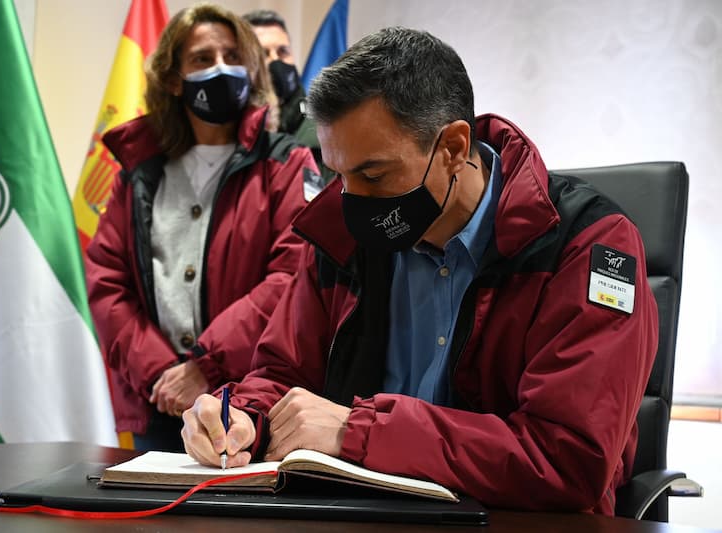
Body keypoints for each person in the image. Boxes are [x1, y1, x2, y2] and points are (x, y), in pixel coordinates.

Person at [180, 27, 659, 514]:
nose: (351, 201)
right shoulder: (342, 238)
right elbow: (282, 373)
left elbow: (568, 460)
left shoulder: (588, 245)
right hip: (359, 513)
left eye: (373, 174)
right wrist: (243, 417)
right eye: (338, 175)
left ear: (452, 147)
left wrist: (357, 431)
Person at [85, 3, 316, 451]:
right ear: (174, 79)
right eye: (202, 59)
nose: (221, 69)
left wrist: (205, 368)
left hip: (252, 401)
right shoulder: (140, 173)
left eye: (233, 57)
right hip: (159, 404)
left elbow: (291, 277)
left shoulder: (287, 163)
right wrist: (159, 372)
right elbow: (106, 282)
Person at [242, 9, 334, 189]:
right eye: (263, 54)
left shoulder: (326, 128)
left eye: (283, 51)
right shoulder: (234, 130)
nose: (275, 61)